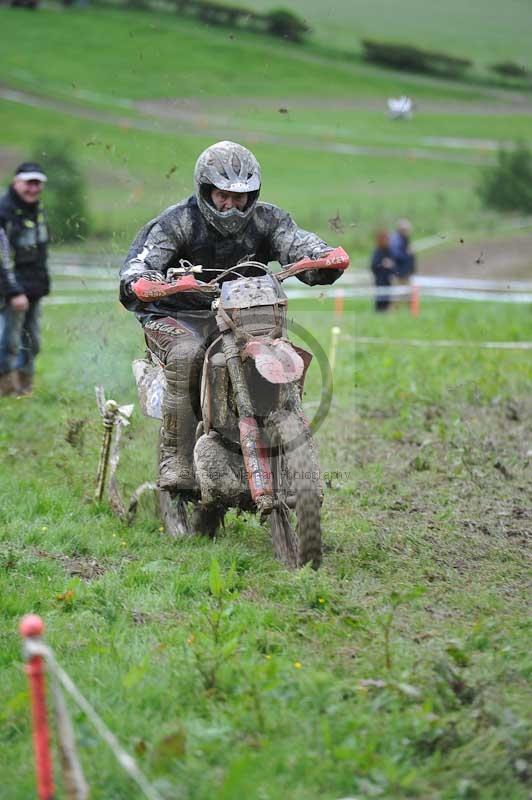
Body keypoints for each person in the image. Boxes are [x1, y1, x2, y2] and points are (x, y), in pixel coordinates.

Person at [120, 140, 348, 493]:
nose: (230, 205)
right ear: (205, 190)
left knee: (277, 349)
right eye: (222, 195)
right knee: (187, 354)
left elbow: (296, 241)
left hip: (242, 314)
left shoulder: (268, 219)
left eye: (240, 196)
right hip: (178, 314)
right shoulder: (177, 223)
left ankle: (280, 434)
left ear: (252, 194)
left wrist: (321, 255)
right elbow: (141, 265)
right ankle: (175, 457)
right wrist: (147, 282)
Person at [0, 162, 50, 397]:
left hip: (33, 288)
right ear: (15, 182)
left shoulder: (37, 210)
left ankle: (24, 388)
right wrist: (12, 291)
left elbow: (40, 251)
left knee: (33, 341)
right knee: (8, 343)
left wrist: (42, 284)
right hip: (10, 289)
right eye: (29, 182)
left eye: (37, 183)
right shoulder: (3, 211)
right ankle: (6, 389)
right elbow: (2, 257)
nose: (33, 188)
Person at [370, 229, 395, 312]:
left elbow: (394, 264)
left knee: (388, 298)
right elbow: (373, 265)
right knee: (380, 298)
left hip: (388, 279)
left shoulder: (389, 251)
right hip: (380, 279)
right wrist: (382, 264)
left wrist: (391, 266)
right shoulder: (378, 251)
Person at [389, 218, 416, 296]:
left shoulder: (405, 239)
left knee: (408, 295)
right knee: (396, 296)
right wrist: (407, 253)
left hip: (405, 272)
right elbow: (395, 255)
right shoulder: (396, 240)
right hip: (398, 272)